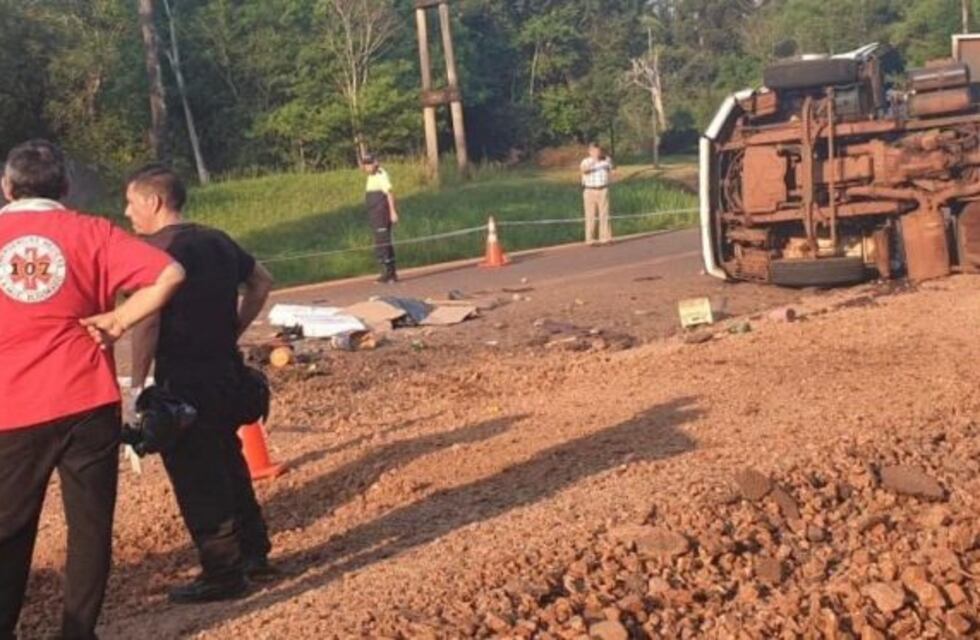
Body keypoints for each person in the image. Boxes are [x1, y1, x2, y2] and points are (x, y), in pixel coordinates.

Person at [0, 140, 185, 640]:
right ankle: (77, 632)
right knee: (89, 529)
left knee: (10, 529)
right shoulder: (92, 231)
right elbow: (170, 273)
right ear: (64, 188)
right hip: (87, 398)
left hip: (12, 406)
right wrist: (121, 319)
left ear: (7, 187)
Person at [125, 164, 276, 604]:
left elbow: (147, 320)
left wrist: (138, 386)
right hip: (226, 371)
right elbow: (262, 281)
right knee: (230, 461)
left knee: (197, 475)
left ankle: (222, 573)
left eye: (131, 202)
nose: (127, 211)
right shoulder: (216, 239)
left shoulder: (155, 249)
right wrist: (232, 330)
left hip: (184, 377)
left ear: (153, 202)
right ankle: (254, 552)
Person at [361, 154, 400, 283]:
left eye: (369, 163)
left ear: (375, 163)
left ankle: (388, 272)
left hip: (381, 212)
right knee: (382, 240)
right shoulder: (370, 176)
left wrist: (393, 212)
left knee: (382, 241)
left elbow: (389, 193)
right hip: (375, 213)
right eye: (366, 164)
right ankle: (391, 273)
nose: (367, 166)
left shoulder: (380, 174)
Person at [580, 142, 614, 245]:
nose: (596, 153)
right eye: (594, 151)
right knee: (590, 215)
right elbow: (584, 170)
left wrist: (611, 177)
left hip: (603, 189)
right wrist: (594, 161)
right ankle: (590, 239)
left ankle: (605, 237)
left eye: (598, 150)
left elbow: (611, 171)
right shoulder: (585, 161)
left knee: (604, 214)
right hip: (590, 190)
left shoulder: (607, 160)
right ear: (589, 152)